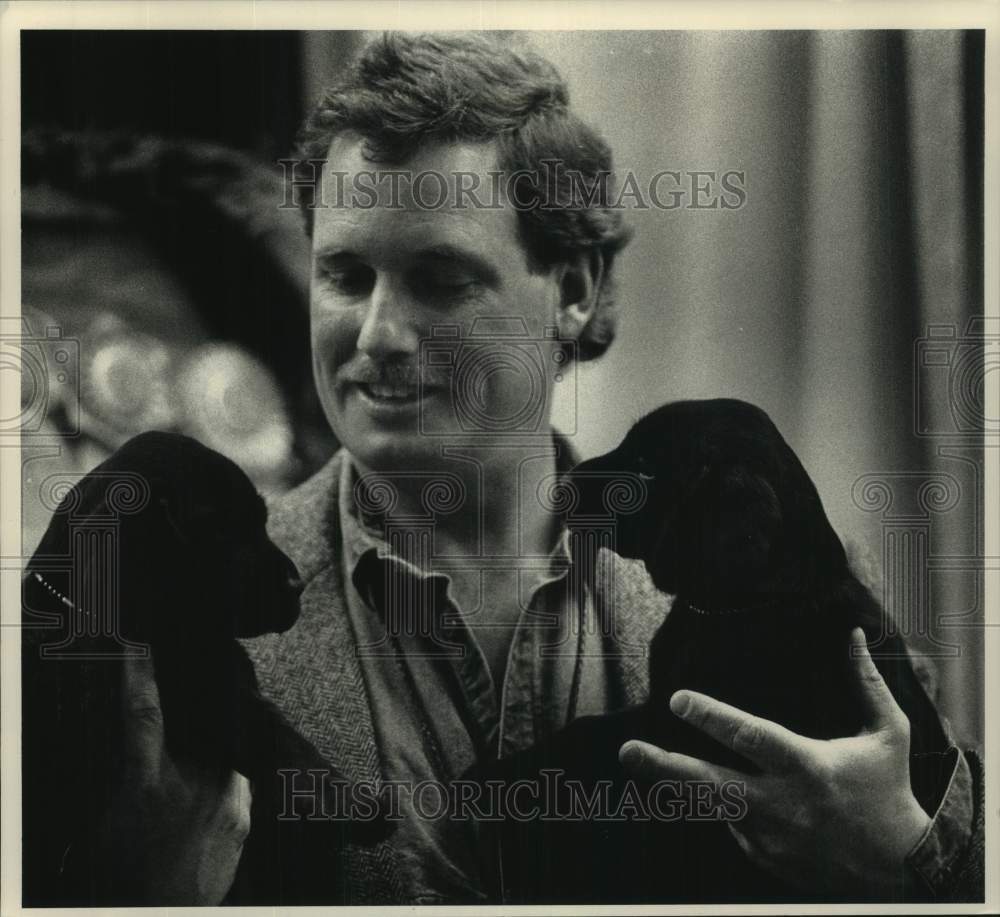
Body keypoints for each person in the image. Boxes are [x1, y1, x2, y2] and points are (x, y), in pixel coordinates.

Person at [103, 32, 984, 905]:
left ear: (573, 291)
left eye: (440, 279)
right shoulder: (183, 627)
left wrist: (910, 869)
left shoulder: (790, 590)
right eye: (345, 275)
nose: (374, 335)